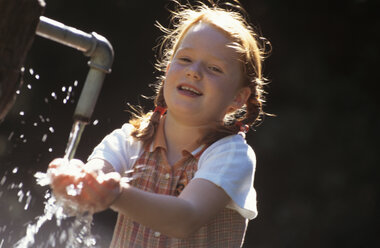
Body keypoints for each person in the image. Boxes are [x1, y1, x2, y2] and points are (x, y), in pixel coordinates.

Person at [47, 0, 270, 247]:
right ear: (167, 70)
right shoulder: (130, 140)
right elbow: (97, 174)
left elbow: (185, 218)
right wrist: (78, 182)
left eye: (214, 68)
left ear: (238, 98)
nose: (194, 72)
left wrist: (116, 194)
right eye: (185, 59)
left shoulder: (231, 155)